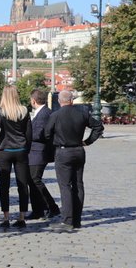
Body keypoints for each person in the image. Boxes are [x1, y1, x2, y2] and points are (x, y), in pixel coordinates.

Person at [43, 89, 104, 231]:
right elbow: (98, 127)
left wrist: (55, 142)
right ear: (72, 100)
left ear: (59, 101)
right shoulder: (82, 113)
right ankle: (77, 219)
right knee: (78, 184)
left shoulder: (56, 115)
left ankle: (67, 221)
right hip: (79, 150)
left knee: (65, 186)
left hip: (63, 151)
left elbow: (46, 134)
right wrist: (88, 141)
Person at [0, 85, 33, 229]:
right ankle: (22, 217)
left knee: (4, 185)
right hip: (21, 149)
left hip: (5, 150)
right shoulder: (24, 110)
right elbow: (29, 133)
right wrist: (27, 147)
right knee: (22, 184)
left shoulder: (1, 111)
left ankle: (6, 217)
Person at [27, 89, 60, 220]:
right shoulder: (43, 112)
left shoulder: (44, 113)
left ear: (33, 100)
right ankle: (39, 209)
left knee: (35, 180)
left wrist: (25, 134)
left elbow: (39, 134)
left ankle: (51, 206)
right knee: (32, 180)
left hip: (39, 152)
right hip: (36, 151)